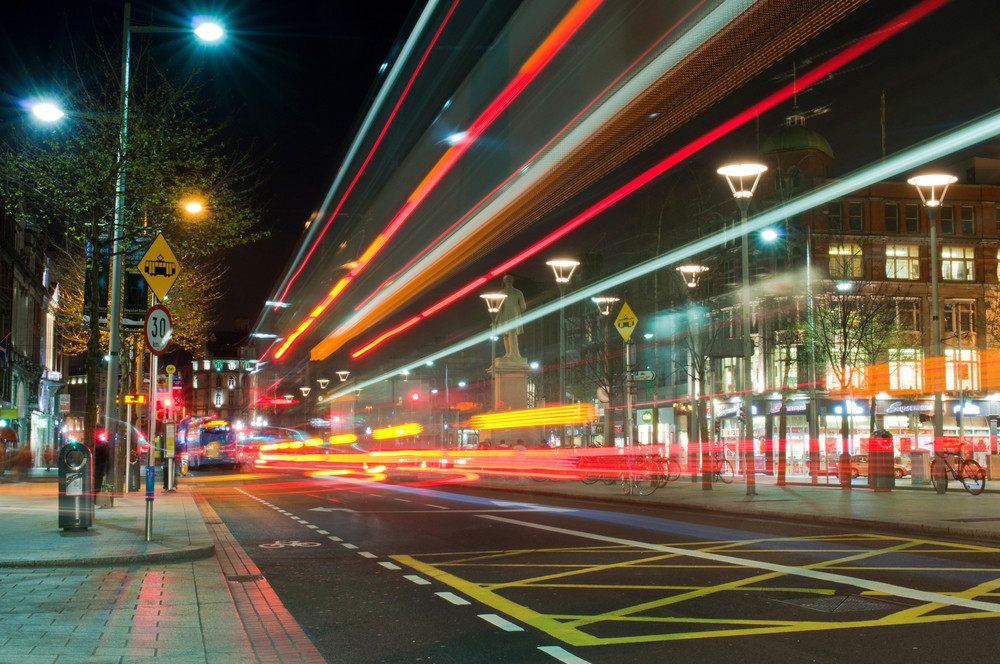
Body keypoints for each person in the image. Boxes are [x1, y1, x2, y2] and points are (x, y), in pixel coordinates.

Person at [495, 275, 527, 359]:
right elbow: (523, 307)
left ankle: (509, 354)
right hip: (514, 316)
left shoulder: (501, 293)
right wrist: (516, 310)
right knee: (512, 335)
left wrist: (495, 320)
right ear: (513, 281)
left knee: (506, 336)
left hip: (504, 316)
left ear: (504, 281)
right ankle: (512, 354)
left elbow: (498, 308)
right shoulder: (518, 292)